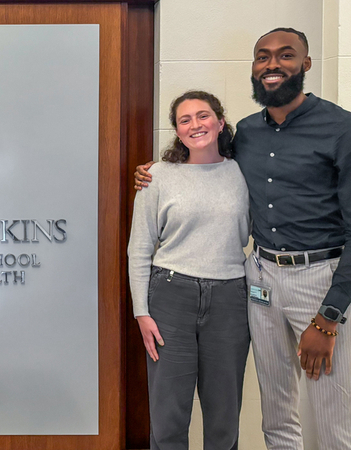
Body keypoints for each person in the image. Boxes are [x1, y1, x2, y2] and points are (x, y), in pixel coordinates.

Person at [135, 28, 351, 449]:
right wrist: (155, 172)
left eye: (285, 56)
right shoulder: (247, 133)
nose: (273, 65)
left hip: (319, 281)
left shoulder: (345, 129)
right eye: (263, 57)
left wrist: (329, 317)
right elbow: (204, 165)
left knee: (331, 412)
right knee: (275, 413)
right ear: (254, 67)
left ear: (306, 64)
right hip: (258, 278)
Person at [128, 90, 250, 449]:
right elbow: (140, 248)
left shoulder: (244, 173)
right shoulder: (157, 177)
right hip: (170, 296)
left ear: (220, 122)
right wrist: (141, 312)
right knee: (168, 414)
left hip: (230, 298)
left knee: (224, 415)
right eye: (185, 120)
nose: (195, 125)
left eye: (203, 116)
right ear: (178, 132)